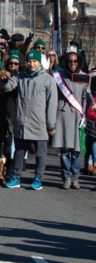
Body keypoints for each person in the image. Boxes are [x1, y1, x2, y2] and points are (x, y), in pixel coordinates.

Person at [0, 49, 58, 190]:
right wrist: (4, 77)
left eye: (35, 61)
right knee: (19, 151)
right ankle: (16, 177)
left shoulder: (48, 79)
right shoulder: (20, 76)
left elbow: (52, 103)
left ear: (40, 63)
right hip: (22, 122)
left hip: (40, 123)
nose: (31, 64)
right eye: (29, 61)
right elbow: (7, 87)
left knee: (41, 153)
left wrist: (51, 125)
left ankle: (38, 178)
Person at [51, 47, 92, 189]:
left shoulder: (84, 76)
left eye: (75, 61)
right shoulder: (59, 76)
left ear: (78, 62)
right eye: (70, 61)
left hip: (78, 116)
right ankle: (66, 177)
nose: (72, 64)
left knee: (76, 150)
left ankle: (75, 177)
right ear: (66, 62)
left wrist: (85, 114)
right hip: (62, 115)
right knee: (64, 151)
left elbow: (86, 97)